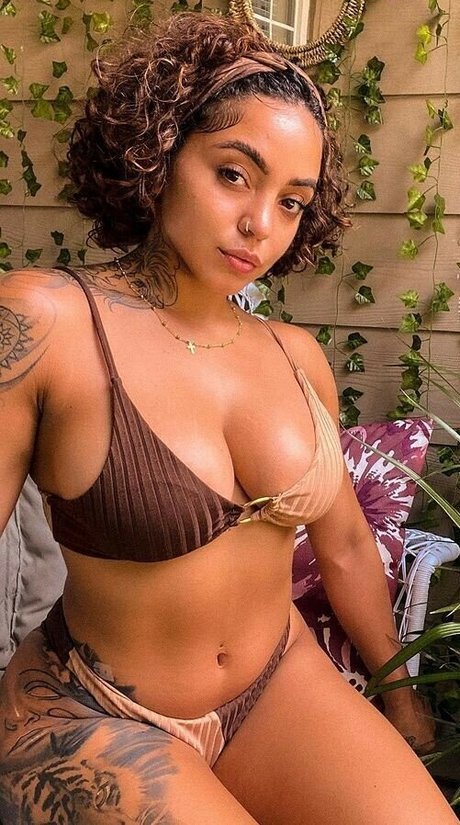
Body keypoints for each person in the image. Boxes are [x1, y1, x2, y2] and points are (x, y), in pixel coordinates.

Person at [0, 12, 456, 824]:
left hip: (277, 683)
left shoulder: (294, 355)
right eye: (234, 174)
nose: (260, 226)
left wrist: (403, 698)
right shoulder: (48, 322)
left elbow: (347, 545)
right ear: (161, 150)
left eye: (292, 201)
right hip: (92, 709)